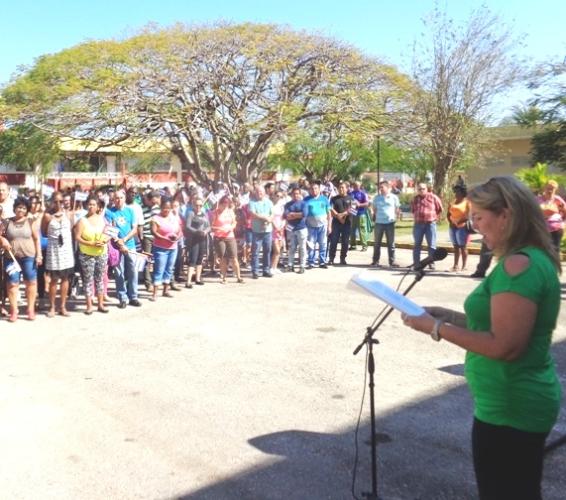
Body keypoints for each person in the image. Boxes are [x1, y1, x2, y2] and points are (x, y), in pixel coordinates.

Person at [401, 176, 562, 500]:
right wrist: (447, 317)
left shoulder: (520, 265)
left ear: (506, 215)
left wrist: (434, 328)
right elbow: (496, 324)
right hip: (509, 402)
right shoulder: (524, 259)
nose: (474, 227)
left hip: (511, 405)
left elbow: (505, 346)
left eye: (479, 217)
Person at [0, 197, 42, 321]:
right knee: (12, 284)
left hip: (29, 257)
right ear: (14, 208)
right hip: (11, 258)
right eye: (19, 207)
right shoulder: (7, 222)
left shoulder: (31, 222)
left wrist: (39, 254)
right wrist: (3, 240)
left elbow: (36, 239)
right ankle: (14, 311)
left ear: (27, 210)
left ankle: (30, 309)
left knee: (31, 282)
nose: (21, 210)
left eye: (24, 208)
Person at [41, 192, 75, 317]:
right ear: (52, 202)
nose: (59, 204)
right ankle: (52, 307)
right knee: (54, 280)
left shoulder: (69, 214)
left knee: (66, 279)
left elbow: (72, 229)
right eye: (56, 201)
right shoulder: (47, 216)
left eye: (61, 201)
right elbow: (44, 232)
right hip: (54, 251)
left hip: (66, 251)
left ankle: (63, 306)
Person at [74, 196, 109, 314]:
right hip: (87, 254)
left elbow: (108, 233)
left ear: (98, 206)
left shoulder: (102, 219)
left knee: (99, 279)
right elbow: (77, 237)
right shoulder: (82, 220)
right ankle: (89, 305)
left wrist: (104, 241)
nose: (91, 207)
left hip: (101, 253)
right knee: (88, 280)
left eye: (94, 204)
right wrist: (90, 243)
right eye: (89, 204)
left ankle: (100, 304)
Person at [106, 189, 140, 308]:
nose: (118, 200)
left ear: (124, 198)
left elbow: (134, 229)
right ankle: (122, 297)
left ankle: (134, 296)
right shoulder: (109, 212)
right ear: (113, 199)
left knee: (133, 272)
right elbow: (110, 230)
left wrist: (124, 240)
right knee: (119, 273)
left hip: (130, 246)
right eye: (116, 198)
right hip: (116, 248)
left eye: (121, 198)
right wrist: (119, 244)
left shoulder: (131, 211)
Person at [150, 198, 183, 301]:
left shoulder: (174, 217)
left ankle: (166, 290)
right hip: (161, 248)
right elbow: (153, 232)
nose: (167, 210)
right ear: (161, 207)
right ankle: (155, 293)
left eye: (169, 208)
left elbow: (180, 230)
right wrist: (164, 238)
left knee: (169, 269)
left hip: (173, 247)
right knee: (159, 269)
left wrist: (177, 237)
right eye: (165, 208)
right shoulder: (156, 218)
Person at [211, 195, 244, 284]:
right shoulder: (216, 213)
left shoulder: (230, 212)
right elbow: (211, 226)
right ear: (220, 204)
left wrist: (231, 228)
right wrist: (219, 228)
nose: (225, 205)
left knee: (234, 257)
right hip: (219, 237)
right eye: (223, 204)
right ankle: (223, 277)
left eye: (227, 203)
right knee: (223, 257)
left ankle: (238, 277)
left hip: (230, 236)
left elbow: (234, 222)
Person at [411, 183, 443, 269]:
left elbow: (440, 209)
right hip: (418, 224)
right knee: (417, 244)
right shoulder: (415, 199)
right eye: (419, 189)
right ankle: (416, 263)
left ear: (427, 189)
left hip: (430, 224)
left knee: (432, 245)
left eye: (423, 189)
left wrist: (434, 217)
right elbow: (413, 210)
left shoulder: (433, 197)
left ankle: (431, 262)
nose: (421, 190)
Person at [371, 180, 400, 268]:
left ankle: (392, 261)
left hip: (390, 223)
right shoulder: (376, 198)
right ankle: (375, 261)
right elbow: (374, 209)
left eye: (382, 187)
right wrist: (375, 217)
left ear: (388, 188)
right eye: (380, 188)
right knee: (377, 243)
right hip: (379, 223)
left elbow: (397, 209)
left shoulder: (394, 197)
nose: (381, 189)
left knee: (391, 243)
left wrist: (396, 217)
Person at [304, 181, 332, 269]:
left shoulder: (324, 199)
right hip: (310, 226)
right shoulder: (306, 200)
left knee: (323, 244)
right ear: (309, 190)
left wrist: (329, 226)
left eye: (315, 188)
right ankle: (311, 262)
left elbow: (329, 214)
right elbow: (303, 213)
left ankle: (322, 262)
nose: (314, 190)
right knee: (311, 245)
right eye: (311, 188)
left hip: (323, 226)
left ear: (319, 189)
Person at [248, 186, 274, 279]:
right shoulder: (252, 202)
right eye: (258, 192)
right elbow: (253, 214)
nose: (260, 193)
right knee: (255, 252)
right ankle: (255, 271)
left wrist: (268, 220)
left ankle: (266, 270)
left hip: (268, 230)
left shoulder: (269, 202)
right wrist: (264, 218)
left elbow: (272, 214)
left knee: (267, 250)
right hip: (257, 231)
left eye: (261, 192)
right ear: (255, 193)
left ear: (264, 192)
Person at [185, 197, 210, 288]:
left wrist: (206, 231)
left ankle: (198, 278)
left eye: (200, 205)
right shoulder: (191, 213)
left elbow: (208, 226)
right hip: (194, 239)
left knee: (200, 258)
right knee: (193, 259)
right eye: (197, 205)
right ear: (193, 205)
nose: (199, 207)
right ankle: (188, 281)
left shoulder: (204, 214)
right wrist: (197, 232)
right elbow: (187, 226)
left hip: (202, 238)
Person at [283, 187, 308, 273]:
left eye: (297, 193)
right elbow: (286, 215)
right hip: (291, 229)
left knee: (302, 248)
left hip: (301, 228)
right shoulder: (287, 204)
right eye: (294, 194)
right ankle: (290, 265)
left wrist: (292, 214)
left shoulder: (304, 204)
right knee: (291, 248)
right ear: (291, 195)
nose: (296, 195)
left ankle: (302, 266)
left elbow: (304, 214)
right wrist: (298, 214)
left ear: (300, 194)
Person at [447, 185, 471, 271]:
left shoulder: (467, 202)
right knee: (455, 247)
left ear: (463, 192)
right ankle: (455, 266)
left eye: (458, 191)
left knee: (463, 247)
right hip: (452, 227)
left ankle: (464, 266)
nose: (456, 193)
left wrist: (458, 222)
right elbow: (448, 214)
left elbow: (468, 216)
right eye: (455, 191)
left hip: (462, 227)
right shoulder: (452, 202)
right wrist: (451, 223)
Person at [537, 180, 565, 253]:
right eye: (548, 188)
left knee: (555, 250)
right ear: (544, 188)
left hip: (556, 227)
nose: (550, 190)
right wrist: (551, 209)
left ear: (556, 190)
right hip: (542, 228)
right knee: (543, 250)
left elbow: (564, 210)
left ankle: (555, 264)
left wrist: (563, 221)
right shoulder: (538, 199)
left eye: (552, 188)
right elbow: (538, 211)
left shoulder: (557, 199)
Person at [328, 182, 353, 265]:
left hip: (347, 223)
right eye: (339, 187)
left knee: (345, 242)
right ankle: (331, 258)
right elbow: (330, 208)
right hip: (336, 224)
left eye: (343, 187)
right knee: (333, 241)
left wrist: (343, 214)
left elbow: (354, 210)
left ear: (347, 188)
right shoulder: (333, 199)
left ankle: (343, 258)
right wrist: (337, 216)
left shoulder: (351, 198)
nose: (341, 189)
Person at [348, 181, 370, 251]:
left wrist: (359, 205)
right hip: (353, 213)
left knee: (362, 230)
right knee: (352, 230)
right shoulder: (351, 193)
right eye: (354, 185)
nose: (355, 186)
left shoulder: (363, 193)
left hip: (361, 213)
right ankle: (353, 245)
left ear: (360, 186)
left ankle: (364, 246)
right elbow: (348, 201)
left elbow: (367, 203)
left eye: (357, 185)